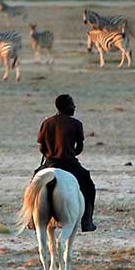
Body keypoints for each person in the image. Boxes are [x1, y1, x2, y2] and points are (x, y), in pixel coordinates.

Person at [34, 94, 97, 232]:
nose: (74, 107)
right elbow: (79, 148)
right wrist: (70, 153)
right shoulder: (76, 124)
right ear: (66, 107)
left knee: (33, 183)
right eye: (72, 105)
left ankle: (31, 220)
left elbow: (41, 148)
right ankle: (87, 221)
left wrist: (50, 153)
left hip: (50, 162)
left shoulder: (47, 123)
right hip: (70, 163)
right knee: (89, 186)